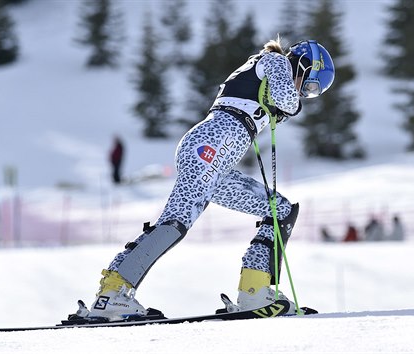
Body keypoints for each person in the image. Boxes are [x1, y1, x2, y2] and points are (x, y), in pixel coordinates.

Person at [73, 38, 335, 321]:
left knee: (280, 210)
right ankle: (113, 294)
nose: (304, 93)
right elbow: (287, 99)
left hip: (217, 158)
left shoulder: (272, 69)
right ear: (304, 63)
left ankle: (255, 290)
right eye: (308, 86)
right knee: (175, 223)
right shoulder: (275, 61)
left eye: (311, 93)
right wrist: (291, 106)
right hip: (208, 148)